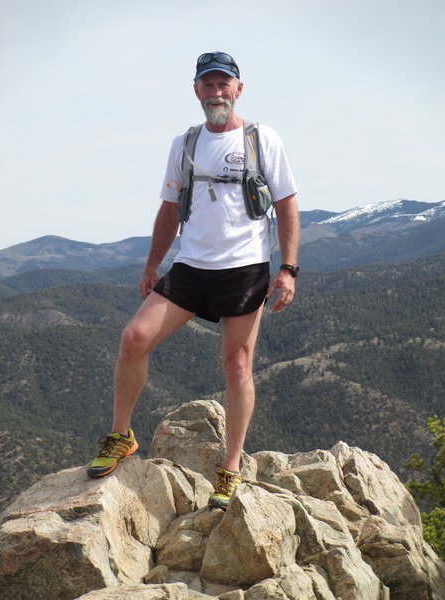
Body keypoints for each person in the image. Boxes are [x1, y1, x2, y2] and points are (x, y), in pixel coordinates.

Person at [87, 51, 300, 510]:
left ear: (239, 88)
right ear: (197, 90)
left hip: (244, 269)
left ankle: (231, 468)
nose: (216, 92)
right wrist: (152, 264)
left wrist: (287, 268)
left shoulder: (263, 140)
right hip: (190, 267)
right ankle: (121, 436)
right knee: (133, 338)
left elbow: (286, 204)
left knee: (237, 366)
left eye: (224, 84)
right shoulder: (184, 144)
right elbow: (168, 208)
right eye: (208, 84)